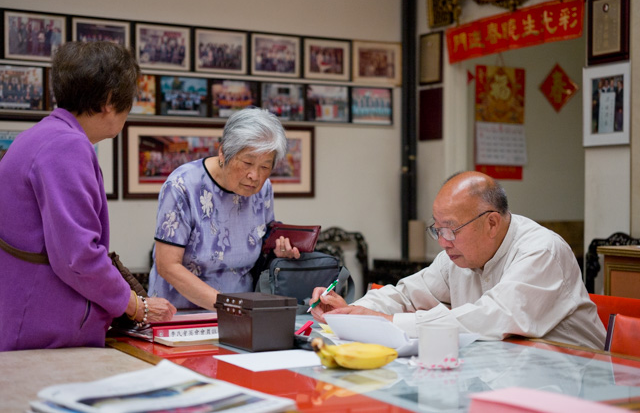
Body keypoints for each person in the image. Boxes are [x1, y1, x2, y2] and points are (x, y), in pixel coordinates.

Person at [0, 41, 176, 352]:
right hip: (47, 330)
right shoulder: (66, 146)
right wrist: (137, 306)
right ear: (109, 100)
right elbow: (78, 256)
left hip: (25, 314)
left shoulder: (38, 136)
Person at [310, 171, 606, 350]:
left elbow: (491, 319)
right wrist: (352, 312)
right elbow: (406, 294)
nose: (442, 241)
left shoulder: (541, 251)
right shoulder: (457, 257)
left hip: (579, 384)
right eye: (437, 229)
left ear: (491, 223)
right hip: (510, 374)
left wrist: (388, 322)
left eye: (451, 229)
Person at [148, 107, 300, 310]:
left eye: (265, 167)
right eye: (247, 163)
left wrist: (279, 250)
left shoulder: (263, 190)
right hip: (181, 314)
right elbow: (168, 266)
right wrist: (229, 307)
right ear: (223, 152)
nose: (255, 175)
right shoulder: (182, 185)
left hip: (243, 313)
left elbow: (262, 244)